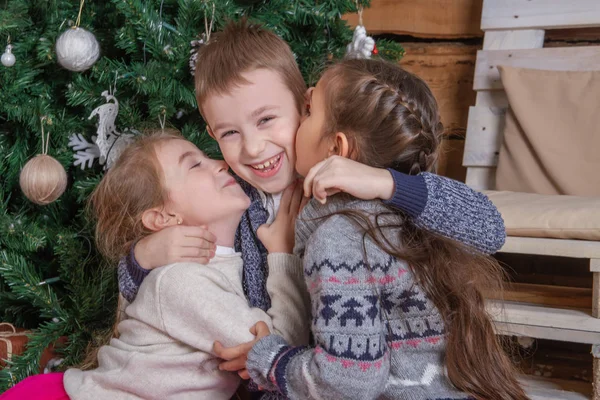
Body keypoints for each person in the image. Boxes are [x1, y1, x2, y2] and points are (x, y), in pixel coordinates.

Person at [118, 19, 506, 320]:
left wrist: (384, 182)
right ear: (211, 134)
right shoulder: (228, 201)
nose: (253, 148)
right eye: (230, 132)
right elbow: (153, 301)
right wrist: (144, 257)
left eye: (267, 119)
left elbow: (489, 229)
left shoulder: (354, 179)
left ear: (304, 105)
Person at [236, 59, 527, 400]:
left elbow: (347, 382)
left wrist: (269, 359)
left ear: (337, 149)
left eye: (310, 110)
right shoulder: (397, 211)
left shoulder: (339, 239)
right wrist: (389, 183)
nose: (303, 108)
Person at [0, 131, 309, 400]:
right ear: (163, 218)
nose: (220, 163)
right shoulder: (182, 281)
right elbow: (279, 354)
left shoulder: (217, 266)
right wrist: (283, 255)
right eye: (195, 163)